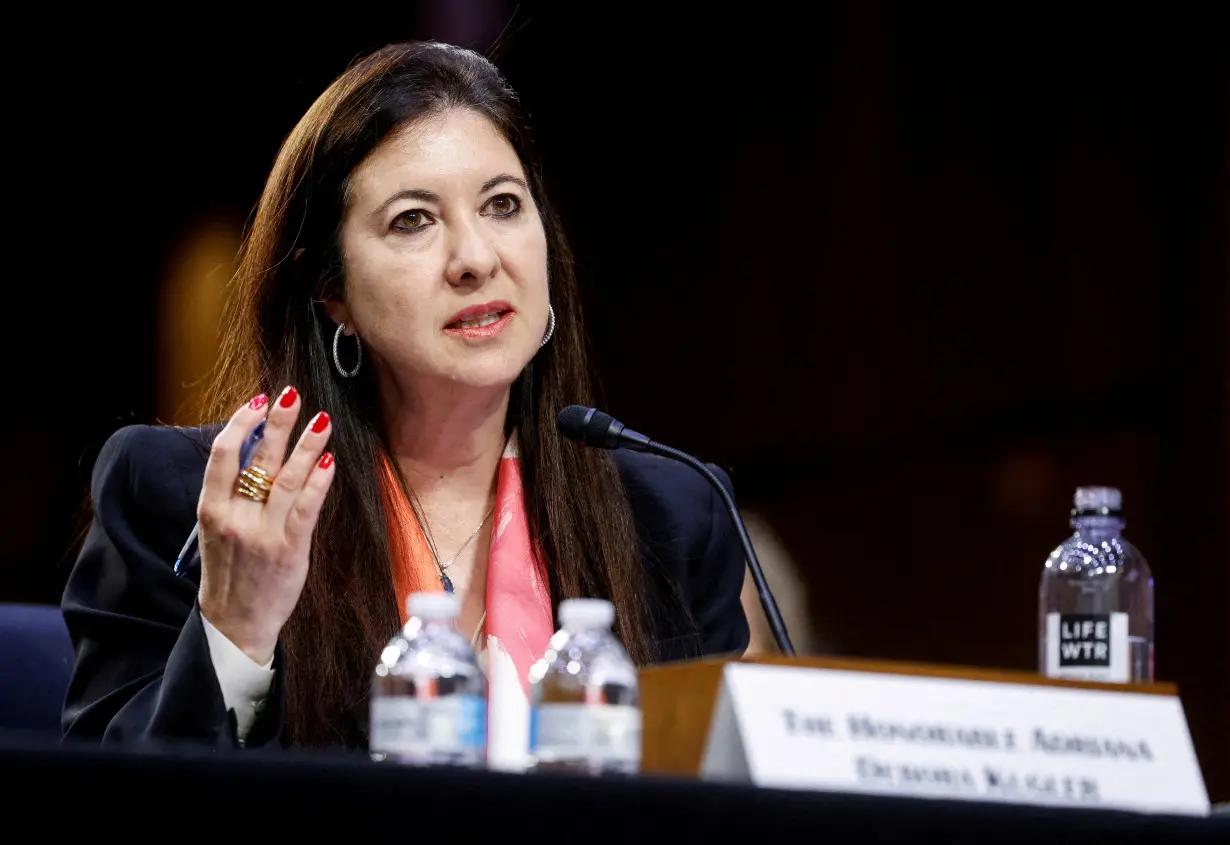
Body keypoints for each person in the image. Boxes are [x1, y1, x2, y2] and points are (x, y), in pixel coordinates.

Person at [61, 41, 748, 763]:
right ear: (332, 293)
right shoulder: (183, 499)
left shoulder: (671, 517)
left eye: (503, 206)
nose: (476, 258)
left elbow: (727, 800)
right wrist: (234, 630)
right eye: (413, 220)